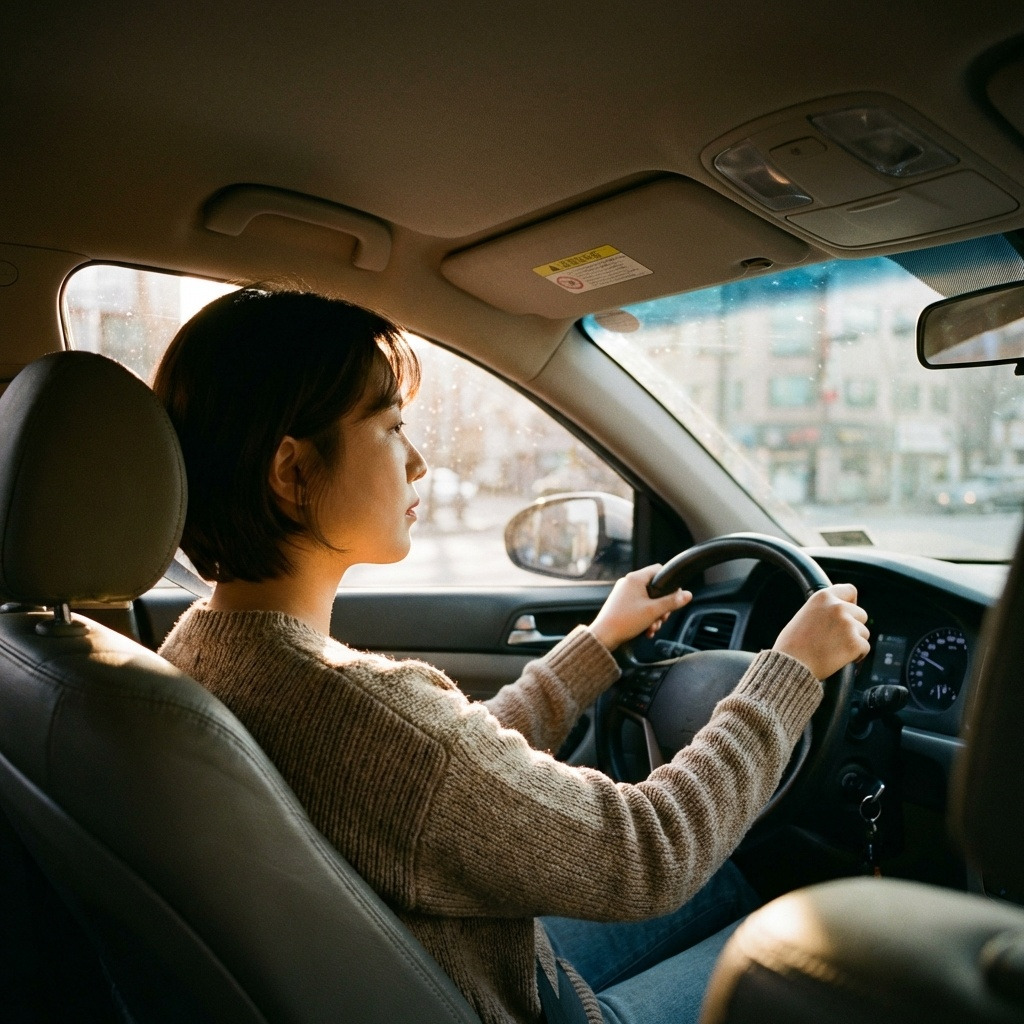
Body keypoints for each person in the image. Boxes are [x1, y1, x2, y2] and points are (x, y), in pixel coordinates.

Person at [152, 288, 870, 1024]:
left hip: (443, 970)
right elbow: (648, 854)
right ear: (291, 472)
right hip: (516, 1003)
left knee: (734, 884)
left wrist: (593, 647)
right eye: (393, 427)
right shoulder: (364, 713)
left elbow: (441, 778)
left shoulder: (197, 652)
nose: (420, 463)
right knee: (829, 940)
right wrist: (787, 674)